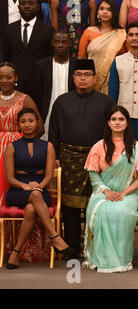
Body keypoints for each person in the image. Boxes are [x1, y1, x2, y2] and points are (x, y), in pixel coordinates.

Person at [48, 59, 115, 259]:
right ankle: (72, 248)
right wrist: (56, 158)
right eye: (79, 75)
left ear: (95, 78)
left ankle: (94, 248)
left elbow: (113, 131)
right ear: (73, 78)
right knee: (69, 206)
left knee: (95, 204)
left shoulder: (106, 102)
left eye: (87, 75)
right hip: (68, 159)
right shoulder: (61, 101)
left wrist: (108, 157)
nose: (83, 79)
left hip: (97, 160)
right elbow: (53, 133)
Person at [83, 106, 138, 273]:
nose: (117, 122)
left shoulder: (136, 148)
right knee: (103, 210)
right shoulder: (99, 146)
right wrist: (107, 191)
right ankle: (103, 258)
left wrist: (123, 193)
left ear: (127, 123)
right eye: (114, 119)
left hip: (128, 194)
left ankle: (120, 259)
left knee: (119, 211)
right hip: (102, 193)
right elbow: (93, 176)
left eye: (121, 119)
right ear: (108, 122)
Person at [4, 108, 73, 269]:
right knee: (34, 195)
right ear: (19, 125)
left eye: (31, 121)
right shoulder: (11, 147)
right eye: (23, 121)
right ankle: (55, 237)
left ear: (37, 124)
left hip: (41, 190)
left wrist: (39, 186)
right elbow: (10, 178)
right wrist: (25, 186)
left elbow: (49, 175)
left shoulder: (48, 146)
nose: (27, 124)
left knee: (31, 208)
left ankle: (16, 252)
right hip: (17, 191)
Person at [0, 62, 49, 263]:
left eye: (9, 77)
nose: (4, 80)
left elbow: (39, 126)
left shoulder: (25, 99)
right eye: (1, 77)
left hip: (19, 152)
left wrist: (25, 143)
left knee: (27, 198)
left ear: (16, 78)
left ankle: (27, 249)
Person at [2, 0, 54, 102]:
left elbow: (50, 57)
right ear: (18, 6)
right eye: (23, 3)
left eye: (31, 3)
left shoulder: (48, 30)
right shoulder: (9, 29)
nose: (26, 6)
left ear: (38, 6)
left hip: (39, 84)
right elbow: (7, 56)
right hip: (16, 84)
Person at [78, 0, 127, 94]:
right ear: (97, 12)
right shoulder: (89, 32)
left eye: (109, 9)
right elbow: (82, 59)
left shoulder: (121, 34)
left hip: (115, 80)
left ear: (114, 13)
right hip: (92, 81)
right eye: (102, 9)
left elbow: (127, 58)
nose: (105, 12)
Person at [35, 30, 76, 141]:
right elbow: (37, 92)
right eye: (57, 42)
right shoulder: (41, 65)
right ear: (52, 43)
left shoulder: (77, 65)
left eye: (64, 42)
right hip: (47, 114)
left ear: (70, 44)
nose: (60, 45)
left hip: (72, 115)